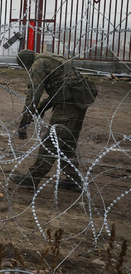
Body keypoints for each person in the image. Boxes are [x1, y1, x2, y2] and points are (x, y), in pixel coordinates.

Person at [9, 50, 97, 192]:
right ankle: (73, 180)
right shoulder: (49, 57)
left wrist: (24, 123)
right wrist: (41, 108)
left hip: (69, 104)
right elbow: (59, 89)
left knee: (51, 141)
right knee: (66, 144)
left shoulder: (38, 65)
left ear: (26, 64)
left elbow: (33, 95)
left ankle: (32, 178)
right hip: (78, 100)